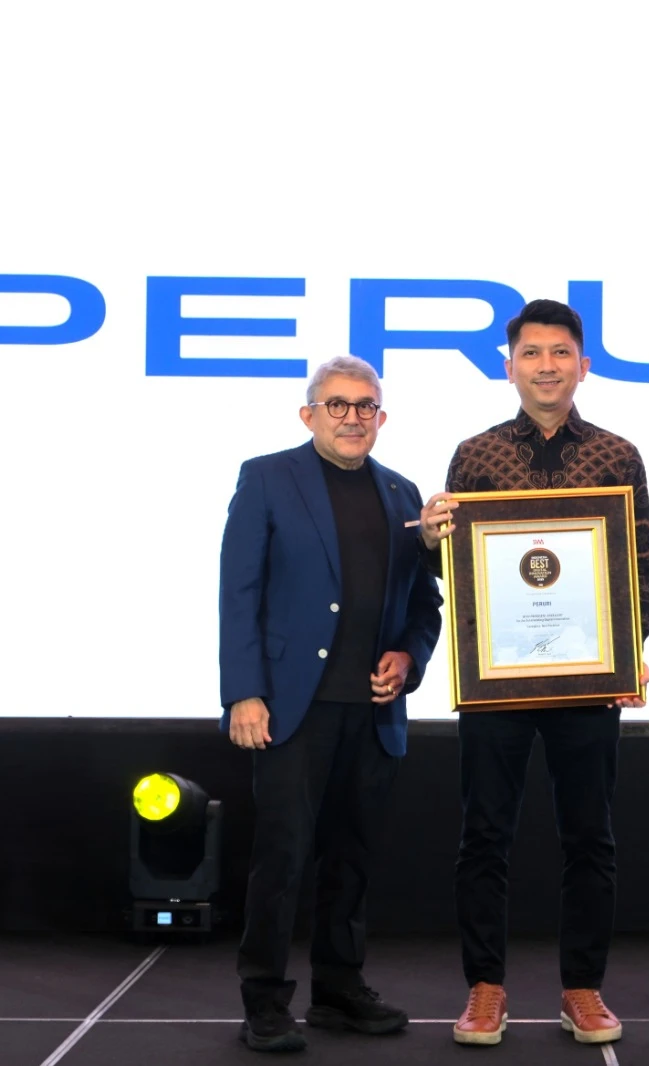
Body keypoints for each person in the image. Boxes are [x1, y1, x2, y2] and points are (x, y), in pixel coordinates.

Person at [414, 299, 649, 1047]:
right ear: (509, 365)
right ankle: (485, 988)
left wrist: (627, 649)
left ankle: (582, 988)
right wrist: (430, 540)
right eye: (531, 353)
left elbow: (640, 564)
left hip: (589, 679)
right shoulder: (474, 455)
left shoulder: (617, 455)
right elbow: (457, 569)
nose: (546, 366)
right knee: (484, 835)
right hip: (498, 682)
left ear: (583, 365)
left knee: (590, 837)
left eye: (559, 353)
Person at [219, 355, 444, 1053]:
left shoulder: (404, 494)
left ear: (382, 416)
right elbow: (239, 593)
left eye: (365, 406)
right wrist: (244, 691)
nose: (352, 417)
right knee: (282, 859)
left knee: (352, 859)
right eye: (338, 405)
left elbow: (425, 606)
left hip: (373, 714)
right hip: (292, 709)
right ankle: (264, 1000)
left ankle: (339, 991)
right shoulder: (266, 477)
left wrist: (408, 659)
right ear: (308, 414)